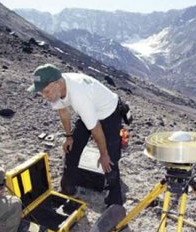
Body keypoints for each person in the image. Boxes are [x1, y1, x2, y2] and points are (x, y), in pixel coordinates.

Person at [28, 64, 124, 206]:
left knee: (110, 160)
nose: (44, 96)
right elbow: (63, 111)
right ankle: (68, 188)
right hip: (90, 111)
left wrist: (103, 154)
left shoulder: (79, 94)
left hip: (109, 112)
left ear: (57, 84)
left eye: (46, 91)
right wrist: (69, 136)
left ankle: (114, 203)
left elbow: (96, 128)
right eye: (41, 92)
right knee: (71, 148)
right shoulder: (57, 90)